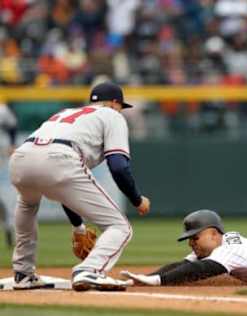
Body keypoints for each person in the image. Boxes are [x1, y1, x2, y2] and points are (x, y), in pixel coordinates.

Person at [9, 82, 150, 291]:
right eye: (121, 106)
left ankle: (23, 273)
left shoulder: (67, 113)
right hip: (60, 159)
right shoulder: (112, 115)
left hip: (21, 158)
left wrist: (79, 227)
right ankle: (89, 270)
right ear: (113, 103)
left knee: (28, 205)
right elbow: (119, 166)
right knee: (120, 227)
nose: (121, 110)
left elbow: (66, 191)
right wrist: (137, 199)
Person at [0, 101, 18, 249]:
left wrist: (12, 144)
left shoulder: (2, 109)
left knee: (5, 198)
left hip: (1, 158)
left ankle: (9, 229)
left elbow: (13, 125)